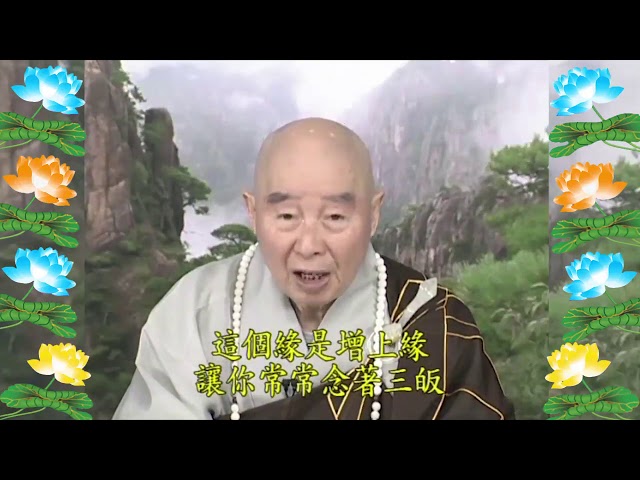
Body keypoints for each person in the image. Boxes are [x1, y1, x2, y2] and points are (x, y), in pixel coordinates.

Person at [113, 117, 515, 420]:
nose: (309, 246)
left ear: (373, 214)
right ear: (253, 211)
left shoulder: (430, 319)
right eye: (286, 216)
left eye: (335, 217)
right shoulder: (194, 311)